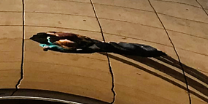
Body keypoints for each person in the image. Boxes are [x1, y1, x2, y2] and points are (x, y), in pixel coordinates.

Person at [30, 31, 167, 61]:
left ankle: (148, 52)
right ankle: (147, 50)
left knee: (117, 48)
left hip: (92, 46)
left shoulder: (57, 42)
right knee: (117, 46)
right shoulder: (58, 38)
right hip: (93, 44)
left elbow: (75, 49)